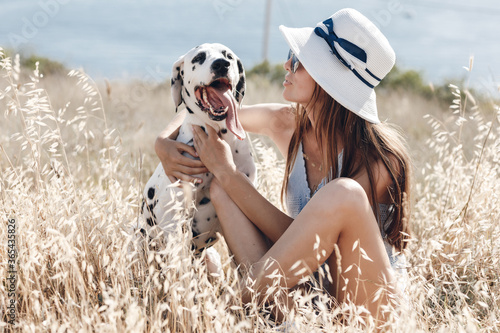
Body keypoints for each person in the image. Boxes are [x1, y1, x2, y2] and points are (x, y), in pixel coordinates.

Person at [156, 8, 411, 322]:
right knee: (222, 190)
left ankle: (227, 309)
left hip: (367, 310)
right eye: (293, 54)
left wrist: (228, 172)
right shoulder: (286, 123)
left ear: (329, 81)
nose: (286, 65)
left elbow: (323, 251)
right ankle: (274, 317)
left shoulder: (381, 160)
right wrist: (162, 141)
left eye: (300, 61)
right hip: (306, 297)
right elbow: (206, 110)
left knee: (343, 193)